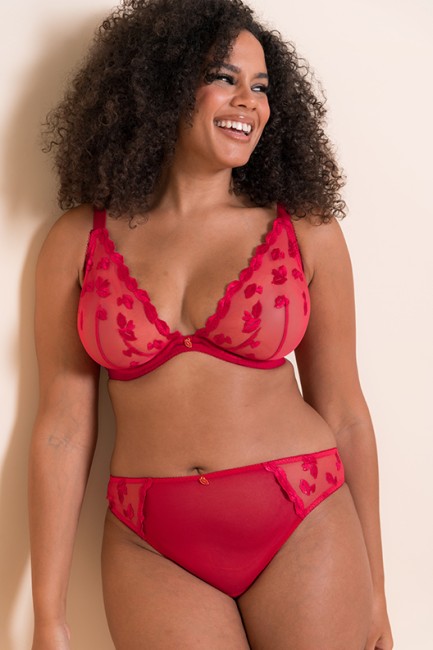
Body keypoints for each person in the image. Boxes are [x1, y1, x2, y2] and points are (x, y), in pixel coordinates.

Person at [28, 0, 393, 648]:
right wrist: (47, 615)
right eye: (224, 78)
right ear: (163, 85)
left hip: (302, 515)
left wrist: (378, 595)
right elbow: (62, 427)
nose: (249, 101)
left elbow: (343, 412)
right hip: (151, 545)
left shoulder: (305, 230)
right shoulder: (79, 238)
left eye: (261, 87)